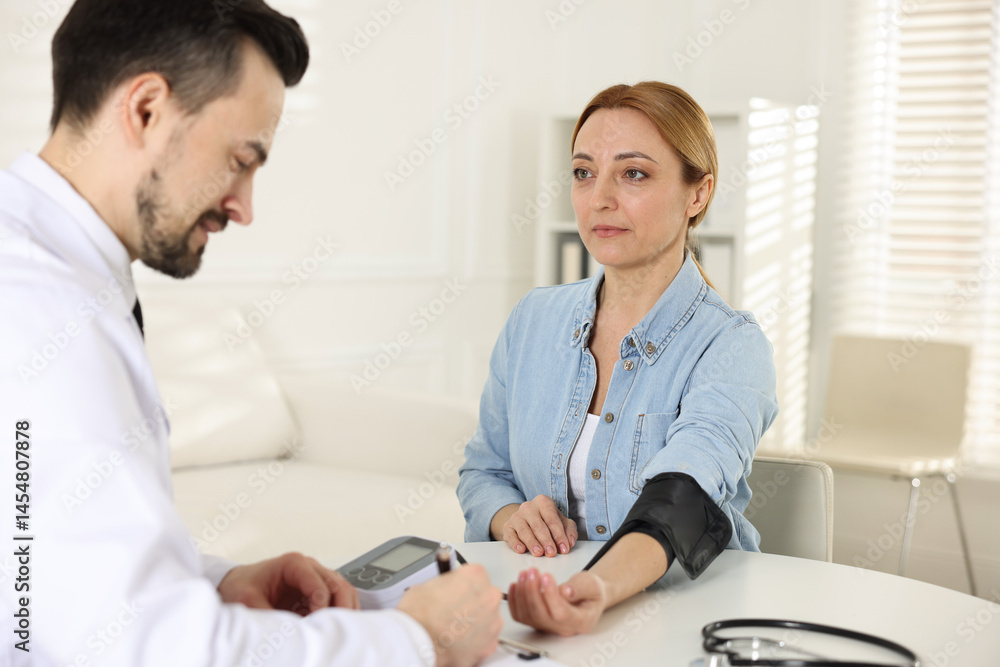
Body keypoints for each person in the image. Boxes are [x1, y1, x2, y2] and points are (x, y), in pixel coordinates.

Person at [0, 1, 501, 665]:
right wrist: (417, 641)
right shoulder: (43, 309)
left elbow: (39, 564)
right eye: (241, 158)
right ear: (146, 108)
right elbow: (137, 650)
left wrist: (216, 582)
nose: (245, 206)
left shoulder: (48, 265)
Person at [457, 81, 779, 636]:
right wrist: (512, 519)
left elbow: (685, 496)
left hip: (684, 617)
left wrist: (595, 587)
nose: (599, 198)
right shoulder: (533, 320)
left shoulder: (733, 346)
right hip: (546, 602)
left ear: (697, 194)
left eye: (634, 174)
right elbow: (483, 472)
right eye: (584, 172)